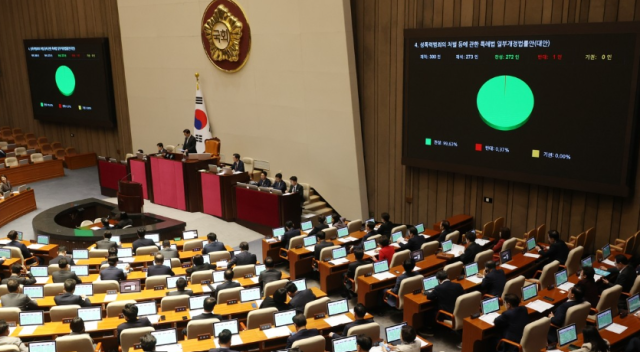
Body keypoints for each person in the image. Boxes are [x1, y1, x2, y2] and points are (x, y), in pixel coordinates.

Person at [423, 270, 464, 336]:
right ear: (448, 276)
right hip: (459, 311)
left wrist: (430, 292)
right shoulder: (458, 285)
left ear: (439, 280)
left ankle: (430, 330)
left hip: (447, 315)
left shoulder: (438, 288)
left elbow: (429, 297)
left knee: (428, 311)